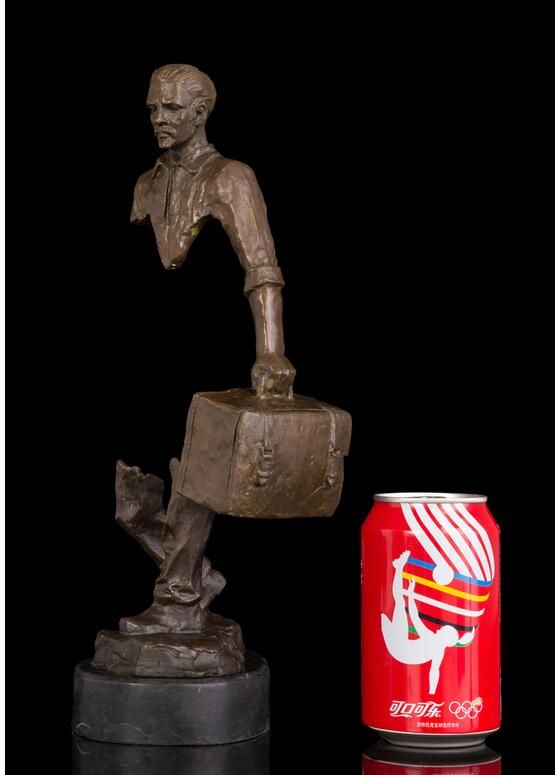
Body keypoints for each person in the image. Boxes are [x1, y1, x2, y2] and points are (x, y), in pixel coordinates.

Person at [121, 64, 295, 634]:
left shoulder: (230, 178)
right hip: (153, 355)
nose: (159, 118)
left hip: (215, 356)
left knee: (194, 481)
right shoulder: (146, 184)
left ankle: (177, 597)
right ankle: (199, 578)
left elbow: (262, 267)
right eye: (153, 108)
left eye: (172, 108)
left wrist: (271, 349)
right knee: (131, 500)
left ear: (201, 112)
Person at [381, 551, 475, 695]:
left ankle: (399, 568)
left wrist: (411, 594)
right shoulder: (439, 650)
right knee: (398, 604)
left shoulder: (432, 639)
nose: (439, 629)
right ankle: (399, 568)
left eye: (443, 629)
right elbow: (434, 671)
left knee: (399, 602)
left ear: (445, 637)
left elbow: (414, 616)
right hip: (399, 649)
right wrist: (431, 692)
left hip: (398, 646)